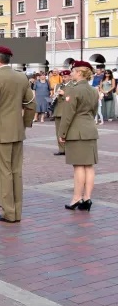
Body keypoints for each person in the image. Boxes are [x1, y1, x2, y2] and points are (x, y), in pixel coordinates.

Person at [0, 45, 36, 223]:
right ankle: (16, 211)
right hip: (17, 131)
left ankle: (8, 212)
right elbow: (31, 104)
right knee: (16, 172)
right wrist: (25, 124)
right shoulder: (21, 77)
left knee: (3, 173)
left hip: (0, 133)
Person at [59, 61, 100, 212]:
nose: (71, 73)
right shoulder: (93, 90)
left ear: (80, 73)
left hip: (76, 131)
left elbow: (68, 114)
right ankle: (87, 198)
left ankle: (77, 197)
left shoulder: (74, 90)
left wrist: (62, 133)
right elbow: (94, 112)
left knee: (78, 167)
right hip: (90, 129)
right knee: (89, 166)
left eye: (74, 71)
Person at [51, 70, 72, 156]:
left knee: (68, 131)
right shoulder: (58, 85)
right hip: (58, 110)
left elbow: (73, 98)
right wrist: (53, 97)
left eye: (66, 77)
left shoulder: (73, 86)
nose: (64, 78)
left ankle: (69, 149)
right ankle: (61, 149)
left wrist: (64, 93)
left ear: (70, 77)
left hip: (67, 110)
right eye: (62, 77)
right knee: (58, 131)